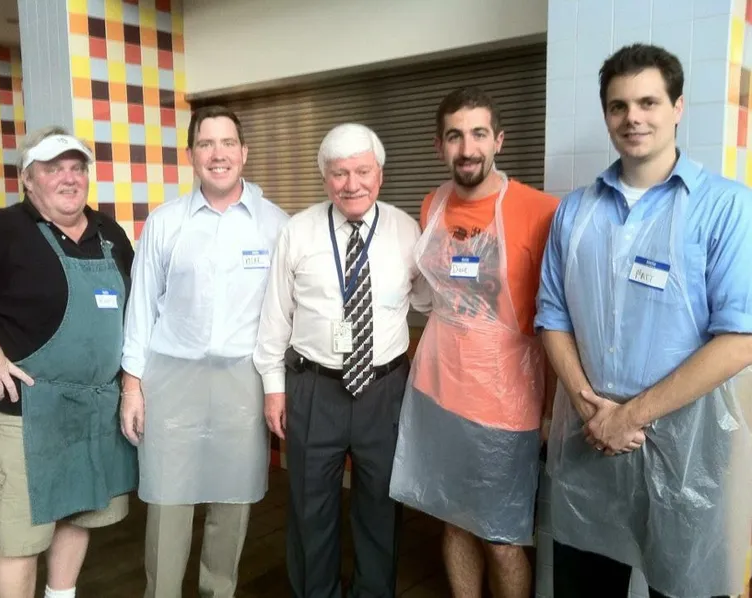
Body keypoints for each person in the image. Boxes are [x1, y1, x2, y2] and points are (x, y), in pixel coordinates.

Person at [535, 43, 752, 598]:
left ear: (678, 107)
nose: (633, 117)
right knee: (585, 582)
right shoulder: (575, 211)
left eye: (649, 102)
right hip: (588, 435)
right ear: (606, 114)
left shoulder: (727, 207)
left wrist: (628, 415)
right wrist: (592, 409)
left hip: (684, 444)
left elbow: (741, 337)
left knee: (683, 588)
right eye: (618, 105)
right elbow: (552, 316)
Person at [0, 127, 138, 598]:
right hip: (21, 413)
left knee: (79, 512)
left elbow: (135, 313)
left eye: (77, 167)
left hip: (94, 410)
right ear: (28, 180)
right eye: (54, 169)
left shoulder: (109, 233)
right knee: (21, 537)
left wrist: (133, 386)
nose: (69, 178)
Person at [388, 87, 558, 598]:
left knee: (504, 535)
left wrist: (550, 409)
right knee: (453, 517)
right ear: (440, 145)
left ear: (499, 140)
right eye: (455, 136)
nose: (468, 148)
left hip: (507, 402)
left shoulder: (539, 210)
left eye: (479, 134)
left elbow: (555, 318)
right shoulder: (432, 203)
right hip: (438, 390)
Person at [254, 123, 431, 598]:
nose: (351, 184)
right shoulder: (298, 231)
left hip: (385, 388)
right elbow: (275, 315)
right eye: (339, 173)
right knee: (310, 506)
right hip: (314, 388)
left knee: (380, 505)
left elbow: (425, 302)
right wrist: (274, 386)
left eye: (362, 171)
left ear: (380, 174)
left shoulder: (406, 229)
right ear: (325, 178)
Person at [120, 105, 289, 598]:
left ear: (244, 152)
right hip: (171, 379)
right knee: (168, 502)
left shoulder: (275, 225)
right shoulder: (166, 222)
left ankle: (220, 591)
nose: (219, 154)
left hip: (243, 380)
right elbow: (141, 308)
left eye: (228, 143)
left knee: (232, 500)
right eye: (207, 144)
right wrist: (132, 387)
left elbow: (282, 317)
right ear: (191, 155)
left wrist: (277, 389)